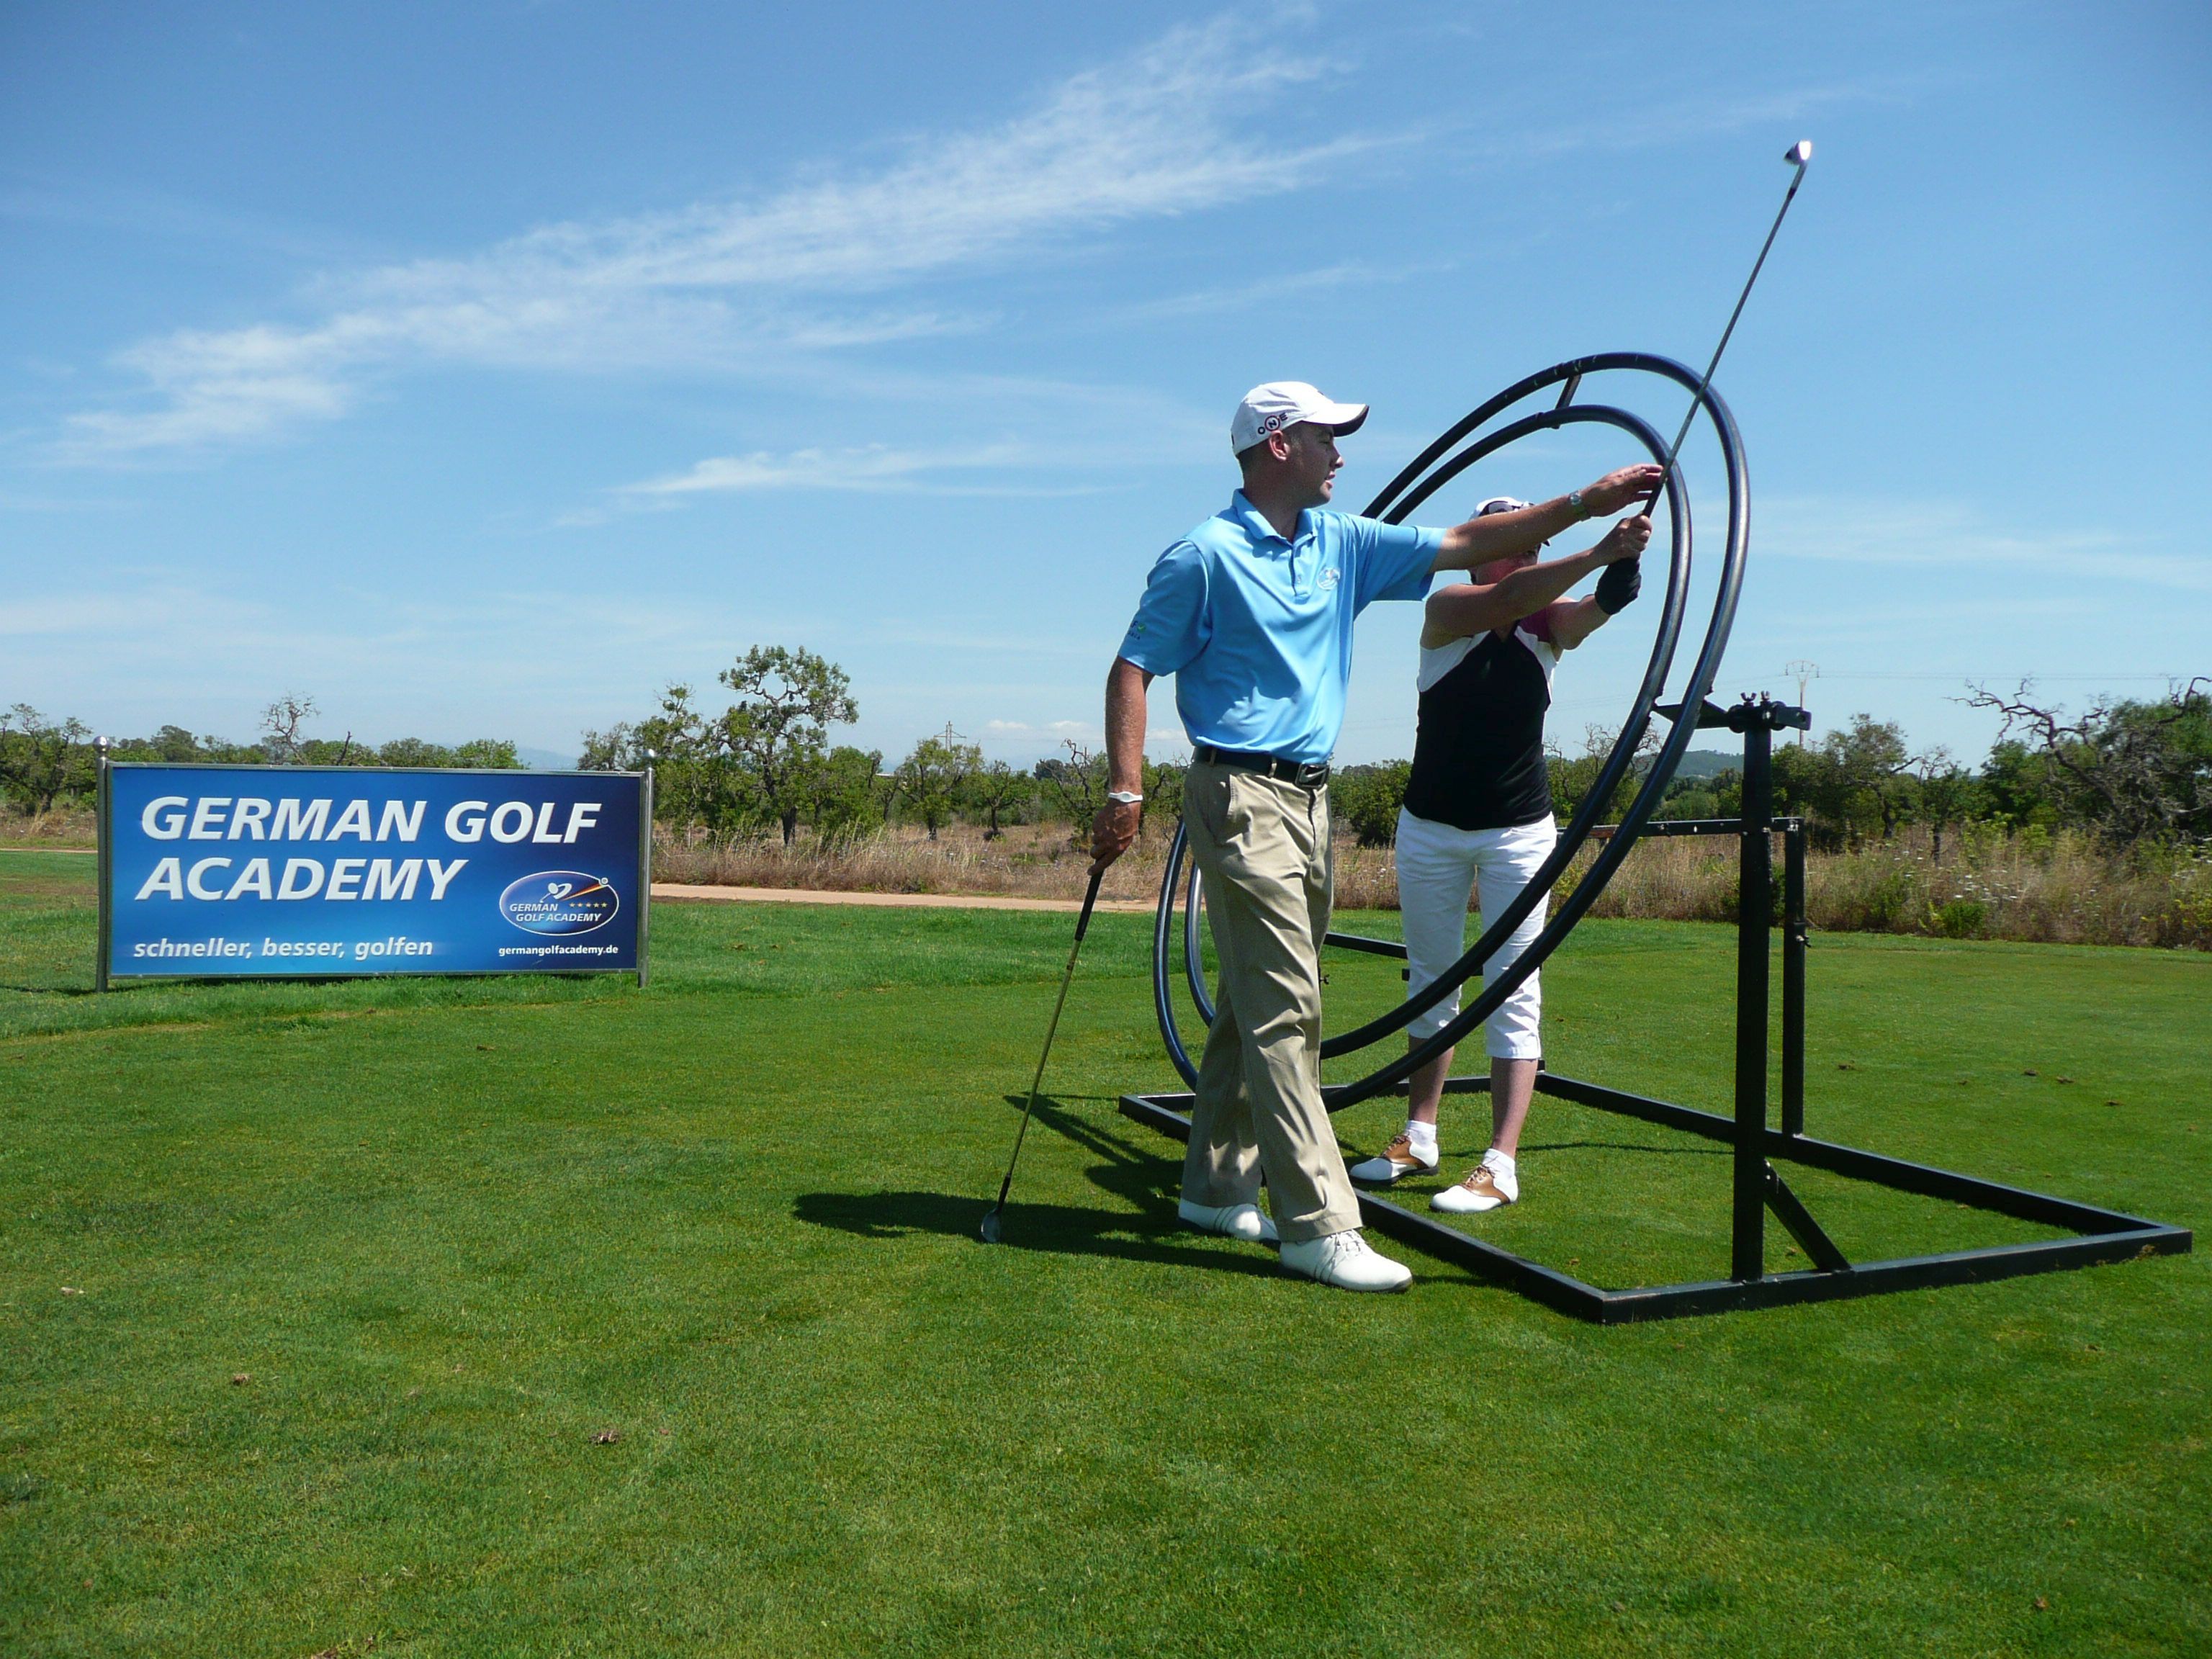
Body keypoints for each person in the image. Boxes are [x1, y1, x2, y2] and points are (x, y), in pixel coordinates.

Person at [1090, 382, 1657, 1291]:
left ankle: (1213, 1184)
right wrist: (1126, 787)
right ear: (1280, 446)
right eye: (1328, 438)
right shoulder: (1204, 555)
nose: (1342, 455)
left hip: (1311, 801)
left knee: (1252, 997)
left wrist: (1588, 507)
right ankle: (1318, 1223)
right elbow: (1133, 667)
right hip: (1238, 788)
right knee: (1290, 1007)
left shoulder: (1342, 542)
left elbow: (1472, 545)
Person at [1346, 495, 1647, 1213]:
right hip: (1430, 827)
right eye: (1515, 540)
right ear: (1480, 548)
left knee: (1513, 987)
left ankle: (1499, 1163)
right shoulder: (1448, 607)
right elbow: (1509, 595)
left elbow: (1581, 612)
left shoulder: (1549, 625)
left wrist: (1616, 578)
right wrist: (1601, 551)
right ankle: (1420, 1134)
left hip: (1517, 832)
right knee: (1432, 982)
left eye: (1534, 546)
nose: (1527, 555)